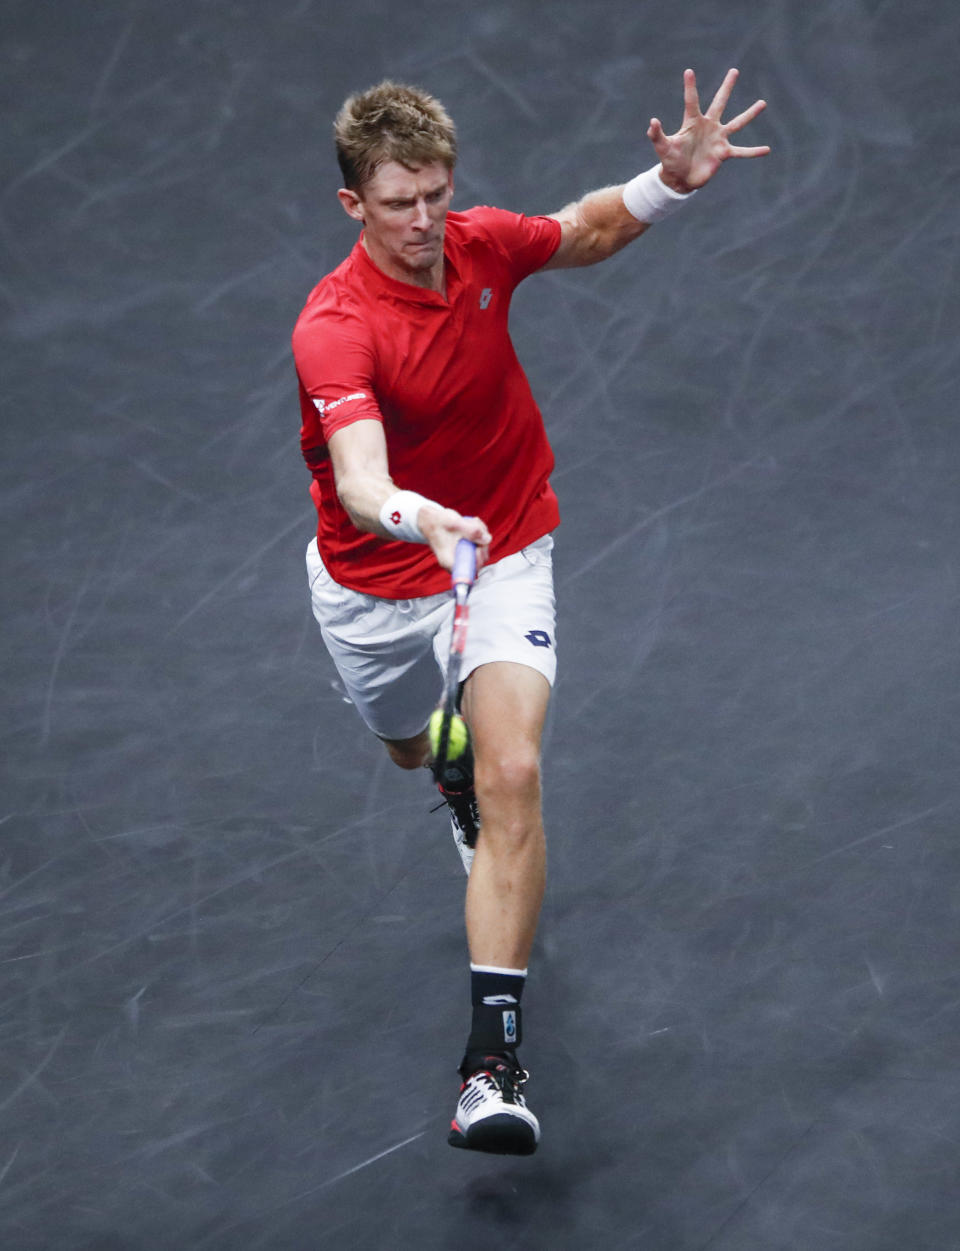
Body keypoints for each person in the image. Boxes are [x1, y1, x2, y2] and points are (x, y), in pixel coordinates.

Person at [293, 69, 768, 1156]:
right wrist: (419, 516)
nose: (422, 223)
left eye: (436, 195)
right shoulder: (335, 328)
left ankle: (490, 1067)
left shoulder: (479, 244)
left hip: (501, 550)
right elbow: (362, 479)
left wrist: (671, 182)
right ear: (352, 205)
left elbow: (588, 229)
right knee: (414, 751)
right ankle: (440, 762)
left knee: (514, 773)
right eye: (398, 202)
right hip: (378, 583)